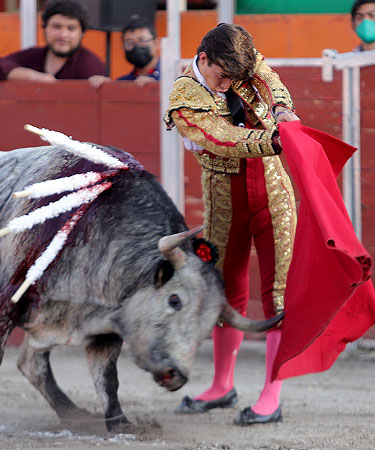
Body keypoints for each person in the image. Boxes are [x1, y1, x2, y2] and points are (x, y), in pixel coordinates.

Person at [164, 23, 299, 426]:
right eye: (222, 76)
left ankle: (271, 394)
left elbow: (266, 74)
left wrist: (281, 107)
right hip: (224, 198)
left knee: (279, 290)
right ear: (202, 59)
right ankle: (223, 384)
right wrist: (268, 141)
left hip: (273, 190)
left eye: (234, 78)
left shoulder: (238, 60)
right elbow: (219, 135)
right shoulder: (183, 96)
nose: (226, 85)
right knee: (225, 288)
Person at [0, 0, 105, 83]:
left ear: (82, 33)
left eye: (71, 28)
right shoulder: (33, 55)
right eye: (57, 26)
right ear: (44, 29)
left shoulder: (89, 64)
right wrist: (33, 76)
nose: (63, 34)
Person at [88, 15, 160, 88]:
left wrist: (156, 86)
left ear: (156, 44)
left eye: (142, 40)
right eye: (129, 42)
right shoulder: (124, 82)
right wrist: (105, 86)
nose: (136, 46)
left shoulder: (169, 76)